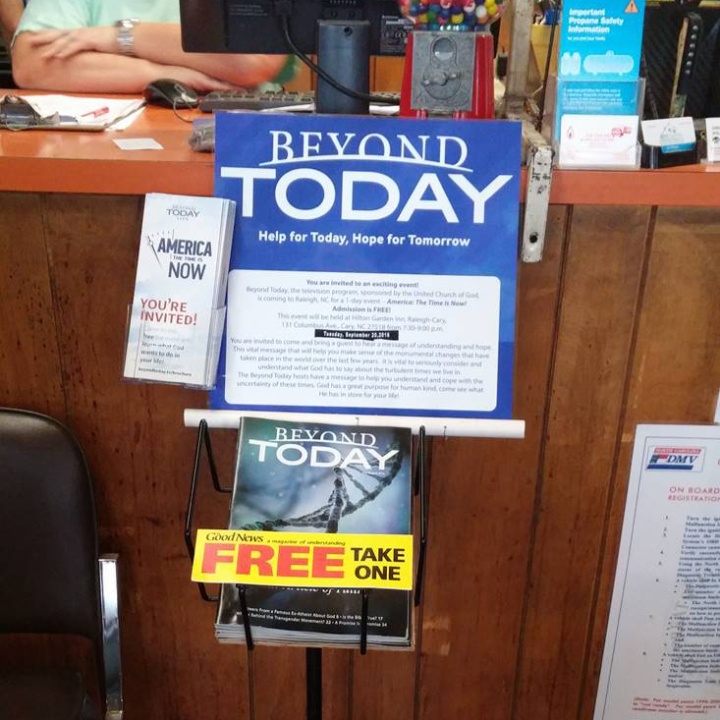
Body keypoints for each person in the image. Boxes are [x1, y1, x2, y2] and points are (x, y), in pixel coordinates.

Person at [11, 0, 294, 92]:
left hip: (233, 141)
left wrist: (120, 37)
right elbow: (33, 64)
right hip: (105, 147)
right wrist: (161, 75)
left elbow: (251, 62)